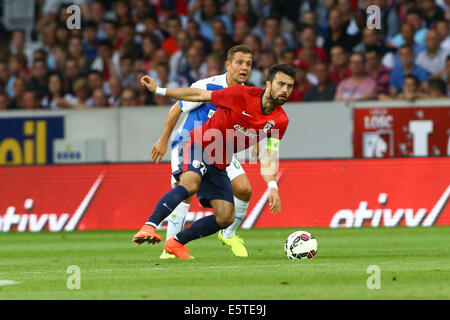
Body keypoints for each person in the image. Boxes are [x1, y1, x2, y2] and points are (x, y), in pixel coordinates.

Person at [133, 63, 295, 260]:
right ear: (268, 84)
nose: (285, 90)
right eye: (281, 84)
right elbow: (200, 95)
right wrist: (159, 90)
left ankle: (175, 243)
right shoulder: (241, 94)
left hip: (220, 159)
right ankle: (149, 226)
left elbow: (269, 156)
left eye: (289, 86)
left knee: (226, 216)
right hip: (199, 144)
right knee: (190, 184)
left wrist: (272, 185)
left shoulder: (281, 121)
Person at [149, 45, 254, 259]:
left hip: (218, 150)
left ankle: (228, 233)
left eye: (249, 64)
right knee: (185, 192)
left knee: (244, 189)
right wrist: (163, 139)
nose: (244, 67)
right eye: (239, 62)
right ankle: (168, 251)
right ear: (228, 65)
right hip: (190, 142)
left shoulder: (245, 94)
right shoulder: (208, 85)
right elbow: (177, 107)